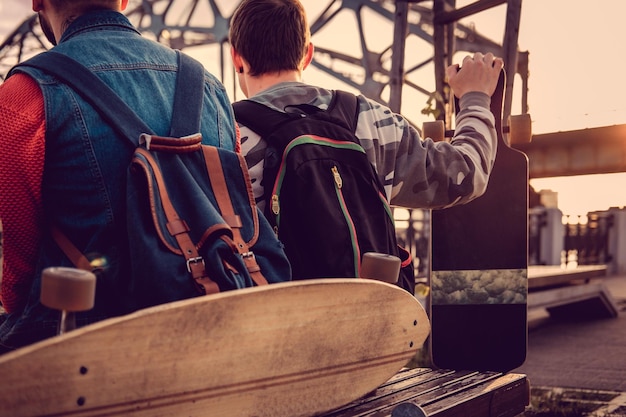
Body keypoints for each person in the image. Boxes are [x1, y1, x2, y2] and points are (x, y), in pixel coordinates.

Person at [0, 0, 239, 352]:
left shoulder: (24, 95)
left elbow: (18, 282)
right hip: (213, 325)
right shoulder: (209, 86)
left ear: (37, 2)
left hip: (83, 345)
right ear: (125, 1)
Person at [229, 0, 504, 274]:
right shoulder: (368, 120)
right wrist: (475, 98)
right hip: (369, 310)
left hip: (275, 312)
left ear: (236, 58)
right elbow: (466, 175)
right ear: (307, 54)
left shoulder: (226, 135)